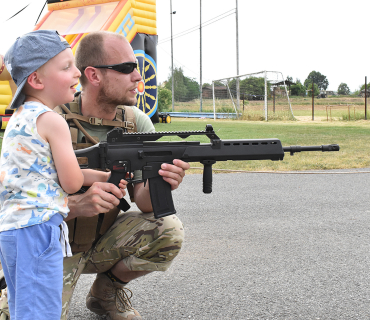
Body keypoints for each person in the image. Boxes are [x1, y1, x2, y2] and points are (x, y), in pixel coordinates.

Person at [41, 30, 186, 320]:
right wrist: (77, 205)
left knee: (168, 229)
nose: (138, 78)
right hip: (50, 246)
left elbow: (145, 204)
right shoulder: (48, 120)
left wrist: (163, 180)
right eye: (126, 68)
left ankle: (105, 293)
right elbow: (17, 207)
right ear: (93, 76)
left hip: (101, 240)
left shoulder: (137, 122)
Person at [0, 30, 128, 320]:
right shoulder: (53, 121)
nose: (77, 72)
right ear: (36, 80)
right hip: (39, 230)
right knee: (41, 312)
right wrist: (101, 177)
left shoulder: (19, 118)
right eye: (66, 66)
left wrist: (98, 175)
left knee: (24, 308)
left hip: (12, 230)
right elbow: (70, 181)